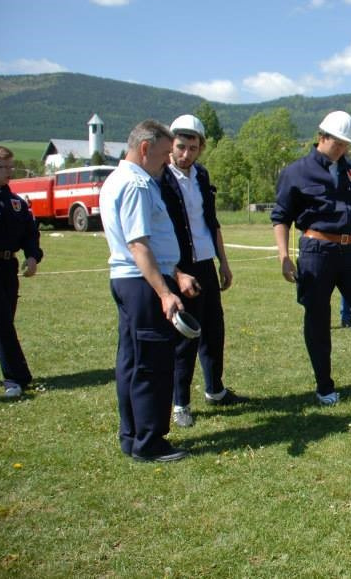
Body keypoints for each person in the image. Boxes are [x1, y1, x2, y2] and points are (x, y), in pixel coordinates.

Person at [271, 111, 351, 405]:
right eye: (337, 143)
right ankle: (324, 386)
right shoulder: (296, 172)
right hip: (316, 251)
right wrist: (284, 256)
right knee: (317, 319)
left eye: (346, 144)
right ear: (321, 137)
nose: (342, 149)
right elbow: (281, 217)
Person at [100, 120, 198, 462]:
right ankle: (149, 442)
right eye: (163, 153)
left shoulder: (120, 179)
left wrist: (176, 274)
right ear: (145, 148)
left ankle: (132, 435)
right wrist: (164, 292)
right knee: (153, 364)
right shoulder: (137, 184)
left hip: (131, 280)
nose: (167, 161)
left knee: (132, 360)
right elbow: (138, 244)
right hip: (142, 283)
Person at [160, 114, 245, 428]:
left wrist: (224, 262)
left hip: (206, 263)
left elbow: (212, 223)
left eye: (193, 148)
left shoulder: (202, 175)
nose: (186, 154)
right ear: (171, 145)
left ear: (201, 148)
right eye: (181, 147)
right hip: (180, 268)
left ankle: (215, 390)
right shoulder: (160, 178)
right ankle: (180, 403)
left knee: (214, 330)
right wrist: (176, 272)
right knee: (186, 336)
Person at [0, 144, 43, 399]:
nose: (8, 172)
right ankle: (16, 377)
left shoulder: (15, 202)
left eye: (11, 167)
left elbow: (29, 232)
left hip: (7, 267)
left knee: (3, 321)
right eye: (2, 167)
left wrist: (32, 255)